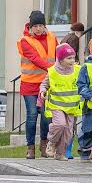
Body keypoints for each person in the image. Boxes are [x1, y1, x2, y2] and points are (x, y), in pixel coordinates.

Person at [16, 12, 59, 160]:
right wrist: (53, 68)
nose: (39, 29)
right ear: (31, 27)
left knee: (47, 117)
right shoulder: (24, 40)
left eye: (41, 25)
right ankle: (30, 147)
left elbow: (59, 53)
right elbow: (34, 59)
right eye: (36, 26)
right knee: (32, 115)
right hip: (29, 84)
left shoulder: (52, 37)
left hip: (47, 83)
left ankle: (43, 144)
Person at [42, 44, 80, 160]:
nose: (72, 61)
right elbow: (44, 84)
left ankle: (60, 153)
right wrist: (43, 91)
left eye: (73, 58)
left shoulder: (78, 70)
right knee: (60, 124)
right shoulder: (52, 71)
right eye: (69, 58)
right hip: (57, 105)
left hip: (71, 106)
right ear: (60, 59)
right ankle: (52, 142)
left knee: (68, 131)